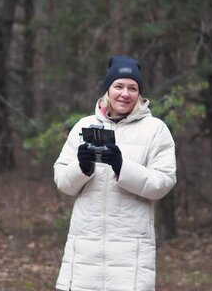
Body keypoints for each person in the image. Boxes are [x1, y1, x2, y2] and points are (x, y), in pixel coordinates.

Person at [53, 55, 177, 291]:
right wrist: (82, 168)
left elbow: (163, 182)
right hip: (84, 256)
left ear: (139, 94)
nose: (125, 93)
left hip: (130, 257)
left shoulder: (156, 130)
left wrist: (123, 168)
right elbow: (63, 182)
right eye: (118, 86)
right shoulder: (83, 126)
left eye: (132, 88)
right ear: (107, 90)